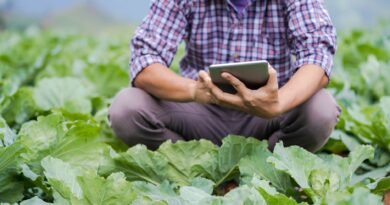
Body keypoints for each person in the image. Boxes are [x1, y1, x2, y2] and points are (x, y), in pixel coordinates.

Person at [108, 0, 341, 152]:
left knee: (320, 110)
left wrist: (278, 103)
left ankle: (267, 163)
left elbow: (317, 53)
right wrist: (193, 91)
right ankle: (195, 164)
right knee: (128, 107)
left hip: (268, 112)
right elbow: (145, 57)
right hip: (199, 110)